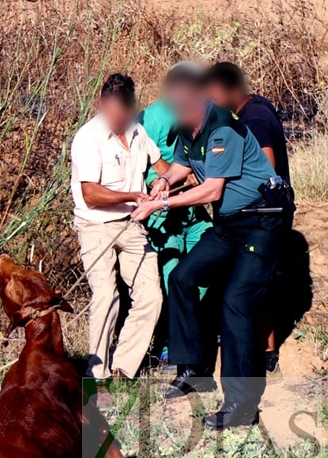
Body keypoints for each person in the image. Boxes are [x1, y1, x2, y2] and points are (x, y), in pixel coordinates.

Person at [130, 64, 290, 430]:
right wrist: (163, 183)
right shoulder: (189, 128)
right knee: (184, 278)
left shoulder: (224, 127)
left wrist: (161, 205)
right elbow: (183, 168)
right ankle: (193, 370)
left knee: (236, 302)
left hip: (262, 221)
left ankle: (241, 406)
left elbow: (211, 189)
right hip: (231, 224)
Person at [70, 73, 166, 391]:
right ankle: (95, 375)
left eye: (118, 112)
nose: (112, 117)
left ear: (129, 109)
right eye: (107, 109)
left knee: (151, 295)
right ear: (101, 103)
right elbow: (90, 195)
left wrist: (166, 183)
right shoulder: (87, 137)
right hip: (95, 227)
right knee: (106, 296)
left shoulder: (138, 132)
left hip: (132, 225)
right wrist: (132, 196)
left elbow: (162, 167)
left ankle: (123, 367)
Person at [205, 61, 291, 373]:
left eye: (213, 94)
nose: (210, 101)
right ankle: (263, 352)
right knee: (256, 282)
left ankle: (262, 355)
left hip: (260, 215)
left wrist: (219, 178)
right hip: (264, 213)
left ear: (231, 90)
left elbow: (264, 168)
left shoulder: (252, 119)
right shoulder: (256, 107)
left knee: (249, 284)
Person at [137, 75, 213, 371]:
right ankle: (170, 346)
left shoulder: (205, 115)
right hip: (163, 214)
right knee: (172, 279)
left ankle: (191, 334)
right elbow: (141, 164)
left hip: (194, 212)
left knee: (207, 268)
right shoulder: (151, 120)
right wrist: (169, 179)